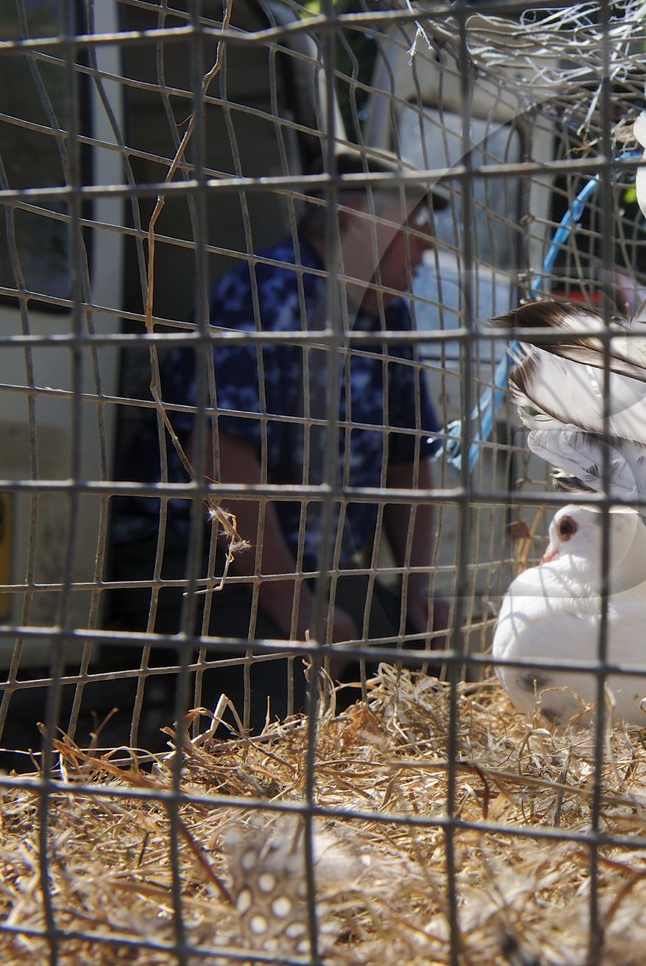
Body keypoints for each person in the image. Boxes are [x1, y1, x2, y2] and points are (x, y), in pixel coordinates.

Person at [106, 146, 450, 735]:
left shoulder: (385, 316)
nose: (429, 245)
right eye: (415, 221)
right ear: (355, 216)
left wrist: (419, 588)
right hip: (209, 563)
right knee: (282, 713)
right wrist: (294, 605)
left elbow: (408, 456)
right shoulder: (267, 292)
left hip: (315, 564)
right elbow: (222, 459)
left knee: (419, 678)